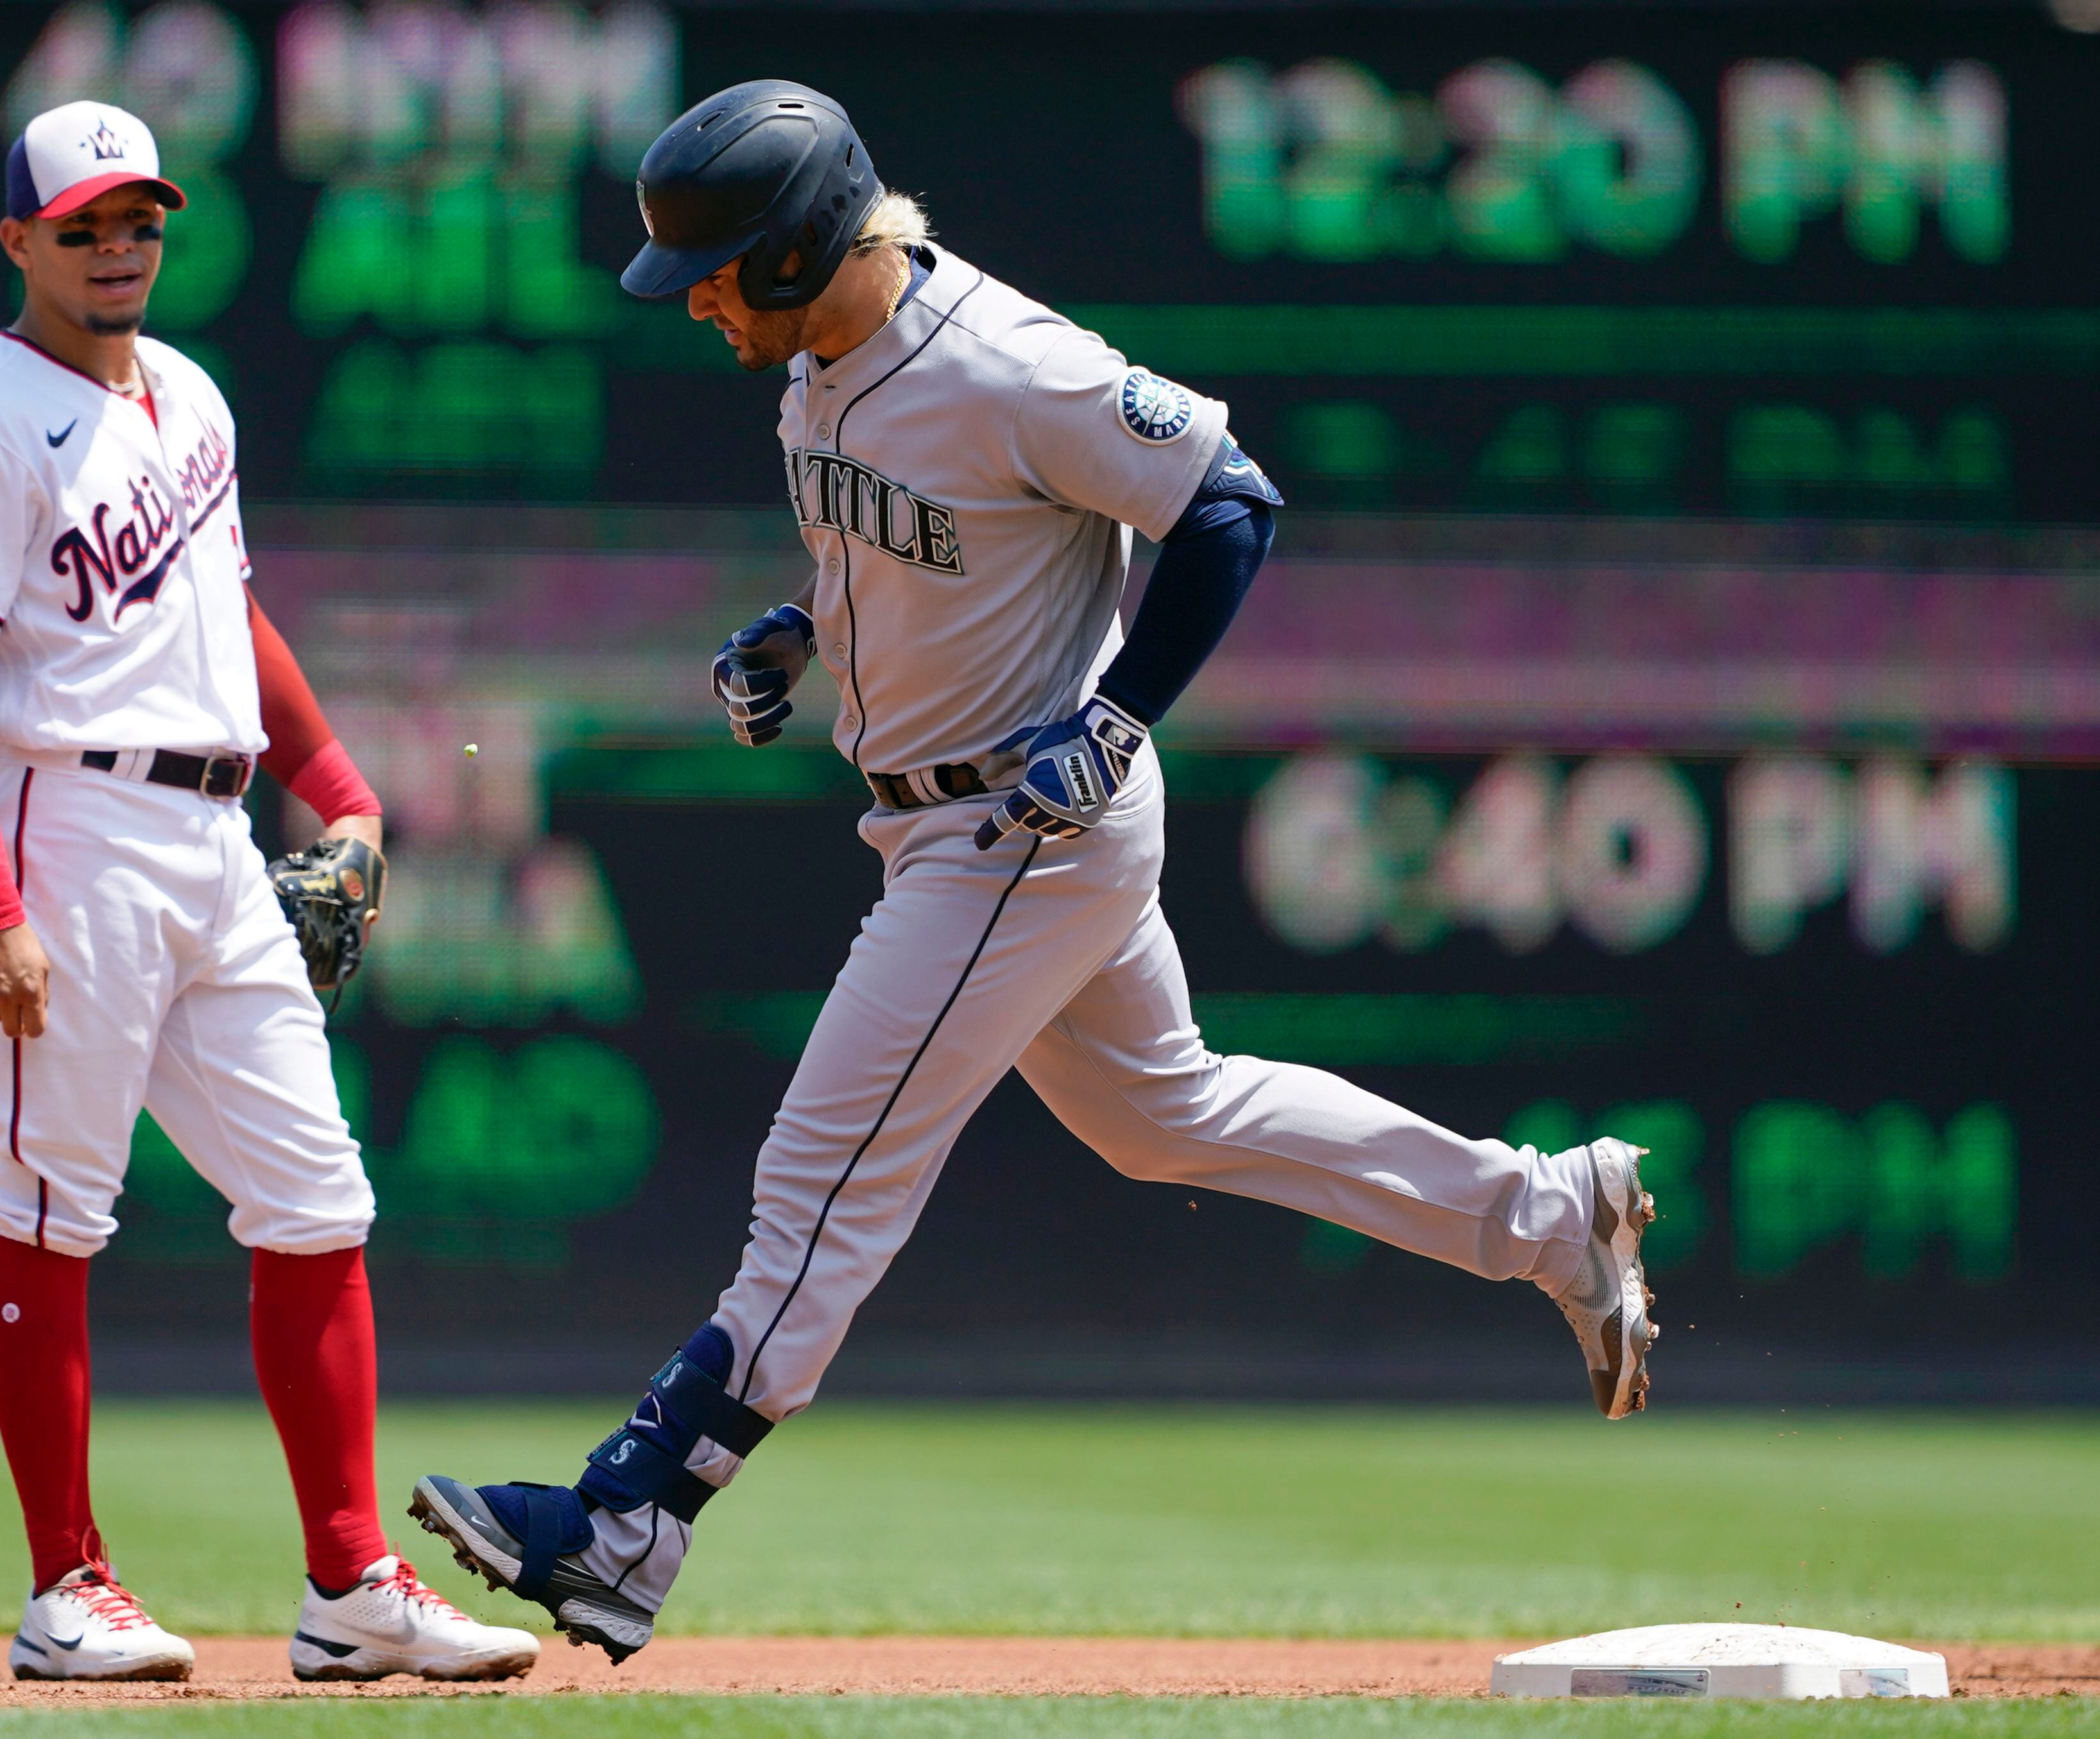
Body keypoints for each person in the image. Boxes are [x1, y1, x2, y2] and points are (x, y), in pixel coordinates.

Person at [409, 81, 1658, 1663]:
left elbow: (1228, 503)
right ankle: (1549, 1211)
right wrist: (805, 625)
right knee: (1170, 1114)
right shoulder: (822, 358)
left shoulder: (1006, 361)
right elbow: (922, 532)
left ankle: (627, 1514)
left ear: (800, 247)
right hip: (947, 814)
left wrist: (1118, 716)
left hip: (1016, 827)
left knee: (818, 1182)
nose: (700, 301)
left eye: (720, 270)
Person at [0, 99, 537, 1685]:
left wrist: (341, 784)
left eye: (140, 221)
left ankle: (351, 1584)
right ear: (18, 242)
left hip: (215, 831)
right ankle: (67, 1586)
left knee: (318, 1196)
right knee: (51, 1204)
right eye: (84, 224)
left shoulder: (188, 391)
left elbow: (225, 608)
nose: (118, 248)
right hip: (64, 823)